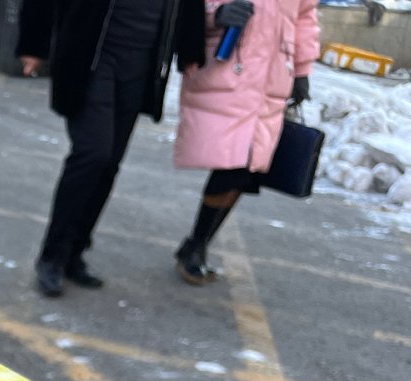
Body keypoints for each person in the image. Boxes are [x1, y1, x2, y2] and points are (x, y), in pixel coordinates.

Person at [18, 0, 205, 297]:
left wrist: (191, 49)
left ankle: (74, 252)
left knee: (109, 164)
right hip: (91, 55)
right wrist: (33, 44)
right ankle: (52, 255)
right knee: (93, 153)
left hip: (142, 61)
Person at [172, 0, 318, 284]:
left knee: (246, 171)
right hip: (228, 68)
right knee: (233, 165)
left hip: (272, 77)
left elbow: (305, 18)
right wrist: (216, 14)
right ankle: (197, 243)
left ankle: (197, 244)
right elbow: (187, 7)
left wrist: (302, 70)